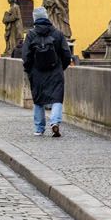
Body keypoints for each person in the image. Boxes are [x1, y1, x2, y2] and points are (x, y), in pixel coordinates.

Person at [22, 8, 73, 137]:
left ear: (35, 19)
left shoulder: (31, 35)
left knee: (38, 100)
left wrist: (29, 70)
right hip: (55, 71)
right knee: (57, 98)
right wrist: (61, 67)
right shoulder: (58, 34)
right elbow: (67, 54)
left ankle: (39, 128)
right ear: (47, 17)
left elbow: (26, 56)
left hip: (37, 73)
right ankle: (54, 122)